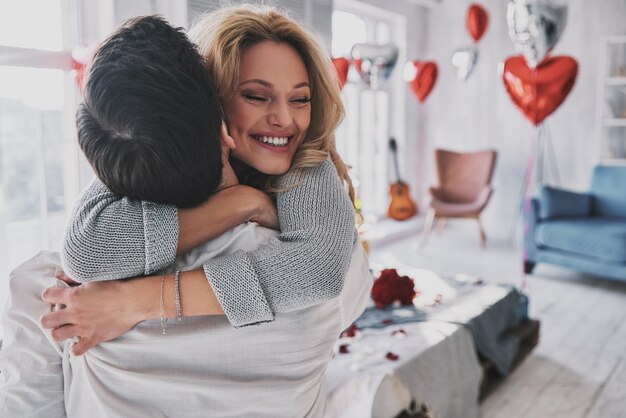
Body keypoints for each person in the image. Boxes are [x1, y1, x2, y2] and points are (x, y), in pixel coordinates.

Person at [1, 6, 372, 417]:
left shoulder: (309, 174)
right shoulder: (148, 166)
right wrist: (240, 203)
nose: (284, 118)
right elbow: (87, 252)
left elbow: (317, 272)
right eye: (256, 95)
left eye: (301, 99)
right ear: (210, 105)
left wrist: (133, 302)